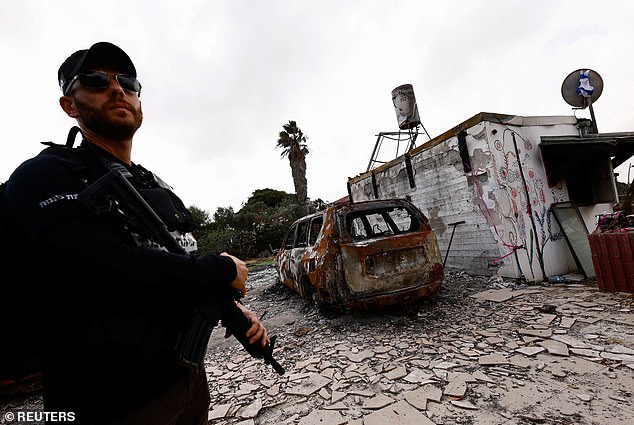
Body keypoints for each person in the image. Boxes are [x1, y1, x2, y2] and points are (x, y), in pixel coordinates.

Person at [1, 41, 270, 424]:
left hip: (185, 382)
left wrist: (229, 308)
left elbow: (175, 262)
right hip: (109, 401)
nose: (116, 89)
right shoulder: (41, 176)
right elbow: (107, 263)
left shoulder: (149, 184)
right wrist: (223, 269)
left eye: (127, 82)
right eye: (95, 80)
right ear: (69, 105)